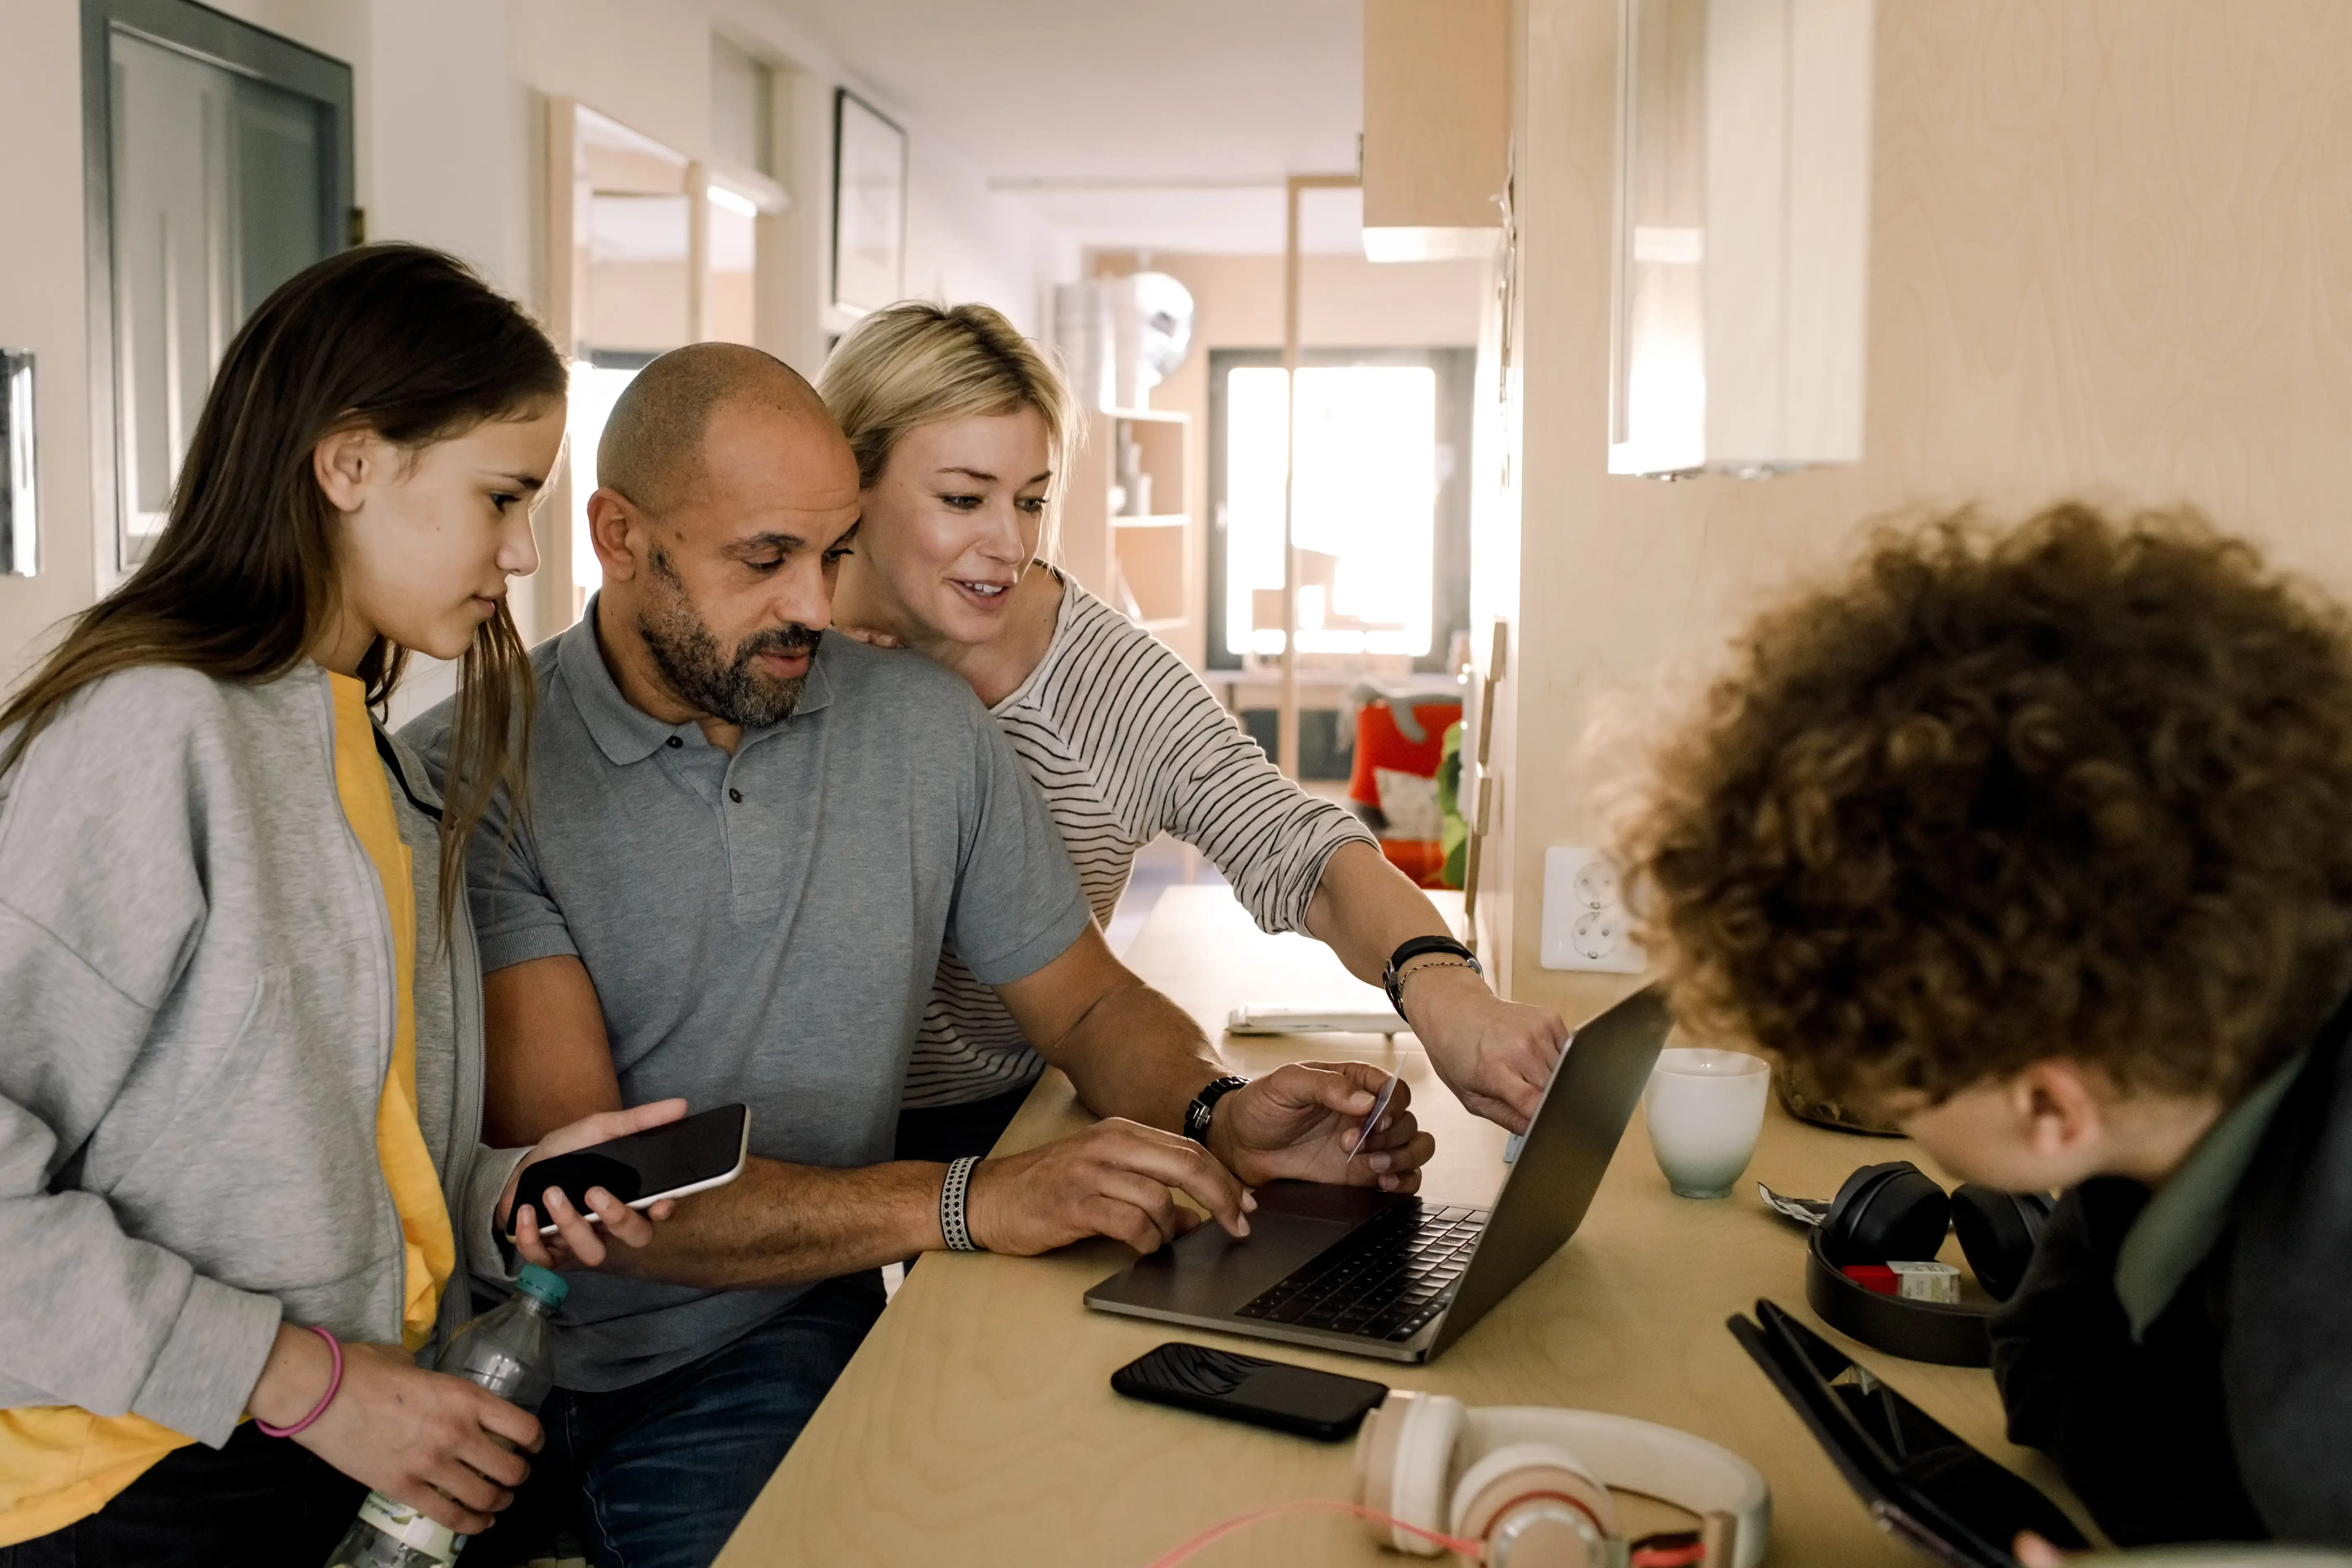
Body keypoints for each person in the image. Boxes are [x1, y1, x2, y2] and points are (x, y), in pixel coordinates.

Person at [402, 340, 1433, 1568]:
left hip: (762, 1338)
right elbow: (603, 1194)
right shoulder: (472, 767)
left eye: (833, 554)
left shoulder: (925, 730)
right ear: (617, 538)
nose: (815, 608)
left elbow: (1090, 1009)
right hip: (482, 1362)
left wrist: (1217, 1109)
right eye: (765, 559)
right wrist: (964, 1199)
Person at [0, 245, 680, 1568]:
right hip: (125, 1478)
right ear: (350, 463)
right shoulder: (149, 732)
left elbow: (327, 1163)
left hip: (325, 1448)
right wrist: (304, 1383)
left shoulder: (381, 769)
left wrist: (510, 1193)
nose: (521, 552)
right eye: (499, 496)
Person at [1617, 503, 2352, 1554]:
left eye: (1898, 1082)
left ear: (2049, 1108)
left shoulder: (2318, 1384)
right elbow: (2052, 1350)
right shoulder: (2185, 1081)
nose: (1881, 1101)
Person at [813, 300, 1569, 1166]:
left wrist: (1443, 985)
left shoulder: (1101, 679)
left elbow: (1292, 841)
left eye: (1031, 501)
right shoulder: (772, 659)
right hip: (799, 1122)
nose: (1010, 543)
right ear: (850, 481)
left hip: (1011, 1112)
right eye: (961, 498)